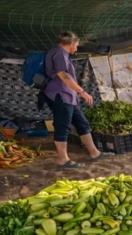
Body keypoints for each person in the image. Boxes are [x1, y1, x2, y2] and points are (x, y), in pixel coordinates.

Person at [44, 31, 110, 168]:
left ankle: (95, 153)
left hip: (68, 96)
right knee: (62, 126)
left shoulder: (61, 53)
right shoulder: (59, 54)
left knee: (82, 123)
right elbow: (63, 75)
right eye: (76, 45)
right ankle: (63, 160)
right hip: (60, 95)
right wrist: (82, 92)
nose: (76, 48)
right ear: (71, 43)